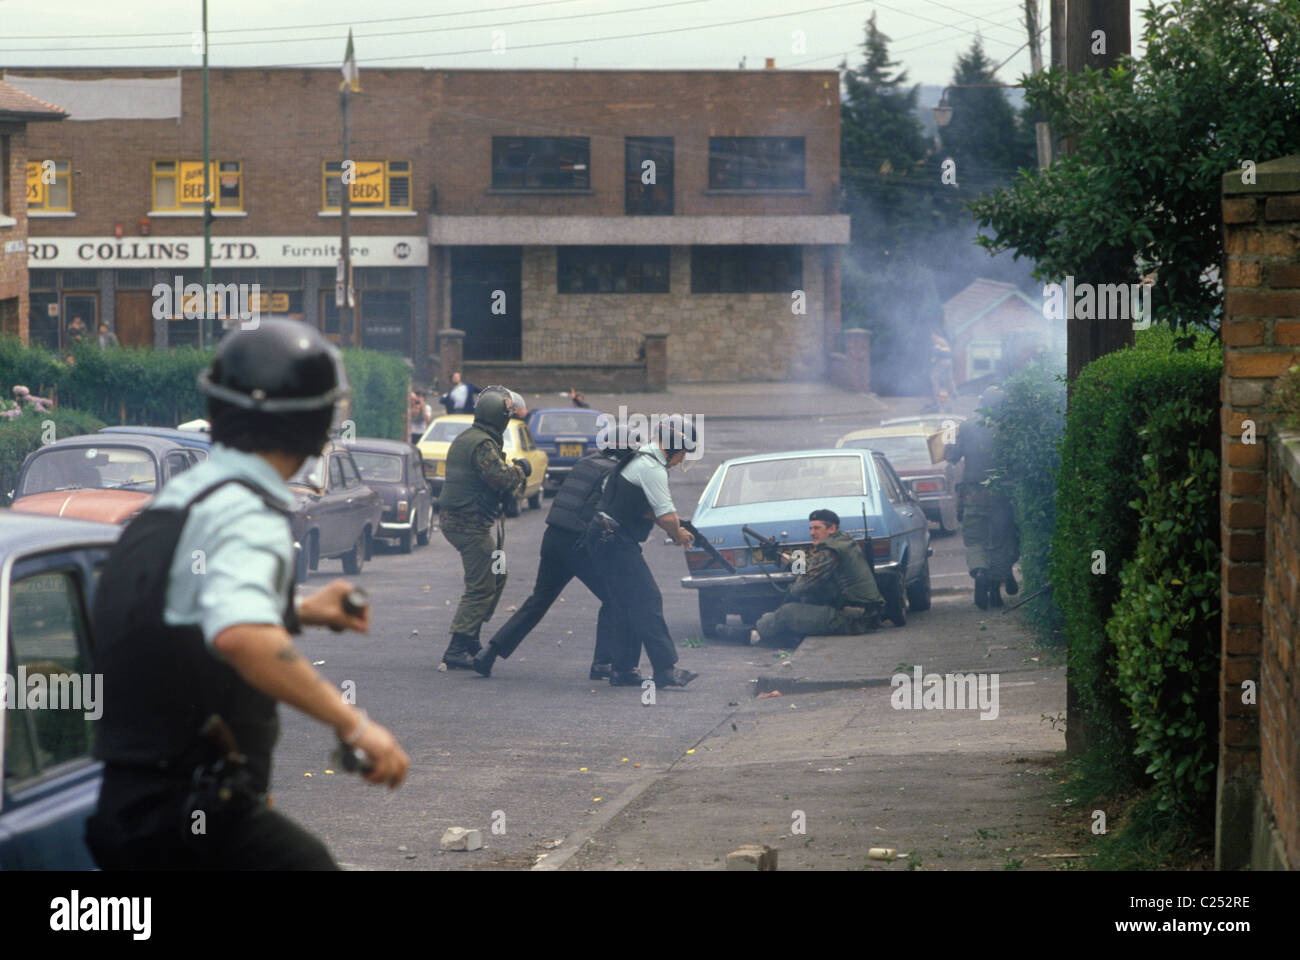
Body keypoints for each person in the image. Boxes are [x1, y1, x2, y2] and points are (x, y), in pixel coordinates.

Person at [84, 319, 409, 870]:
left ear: (216, 410)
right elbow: (241, 636)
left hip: (132, 810)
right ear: (316, 423)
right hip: (191, 816)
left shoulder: (186, 498)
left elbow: (181, 611)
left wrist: (300, 610)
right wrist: (354, 725)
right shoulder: (249, 515)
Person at [472, 446, 628, 679]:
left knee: (539, 600)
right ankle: (602, 663)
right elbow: (606, 513)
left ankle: (489, 653)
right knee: (614, 597)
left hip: (554, 537)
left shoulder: (584, 463)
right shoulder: (614, 473)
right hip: (579, 543)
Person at [583, 421, 698, 688]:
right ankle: (666, 669)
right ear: (674, 447)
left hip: (604, 537)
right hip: (614, 540)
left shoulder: (640, 457)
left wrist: (675, 527)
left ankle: (623, 670)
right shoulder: (652, 468)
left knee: (626, 604)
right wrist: (677, 534)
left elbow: (645, 510)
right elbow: (667, 517)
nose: (681, 460)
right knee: (647, 598)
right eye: (683, 453)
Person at [437, 385, 530, 670]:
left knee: (498, 573)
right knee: (482, 584)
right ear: (498, 417)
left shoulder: (472, 438)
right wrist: (520, 469)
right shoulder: (482, 444)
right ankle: (456, 648)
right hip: (468, 525)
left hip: (465, 522)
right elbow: (501, 479)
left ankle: (470, 638)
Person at [750, 509, 884, 646]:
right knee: (803, 602)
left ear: (831, 528)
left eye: (817, 528)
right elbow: (812, 569)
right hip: (862, 615)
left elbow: (802, 585)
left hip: (851, 620)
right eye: (811, 529)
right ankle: (767, 625)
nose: (812, 533)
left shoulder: (830, 550)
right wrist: (779, 557)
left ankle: (755, 632)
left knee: (787, 613)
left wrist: (787, 596)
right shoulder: (842, 542)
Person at [944, 386, 1020, 609]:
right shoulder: (1009, 427)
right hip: (1001, 493)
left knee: (975, 540)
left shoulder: (966, 426)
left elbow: (951, 456)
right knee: (1001, 540)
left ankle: (979, 573)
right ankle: (996, 587)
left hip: (972, 493)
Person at [928, 331, 955, 411]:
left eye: (932, 336)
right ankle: (954, 393)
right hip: (949, 361)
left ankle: (937, 395)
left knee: (934, 377)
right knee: (949, 378)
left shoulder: (938, 341)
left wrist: (933, 359)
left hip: (943, 361)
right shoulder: (944, 341)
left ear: (935, 335)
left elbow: (936, 351)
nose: (932, 338)